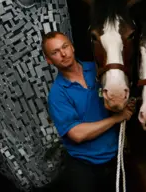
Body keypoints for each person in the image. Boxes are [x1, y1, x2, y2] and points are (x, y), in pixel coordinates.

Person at [42, 31, 135, 192]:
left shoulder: (98, 70)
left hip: (115, 159)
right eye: (55, 52)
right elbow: (77, 134)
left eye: (65, 47)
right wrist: (116, 118)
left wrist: (126, 104)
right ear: (49, 60)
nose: (63, 54)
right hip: (84, 168)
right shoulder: (58, 94)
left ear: (72, 47)